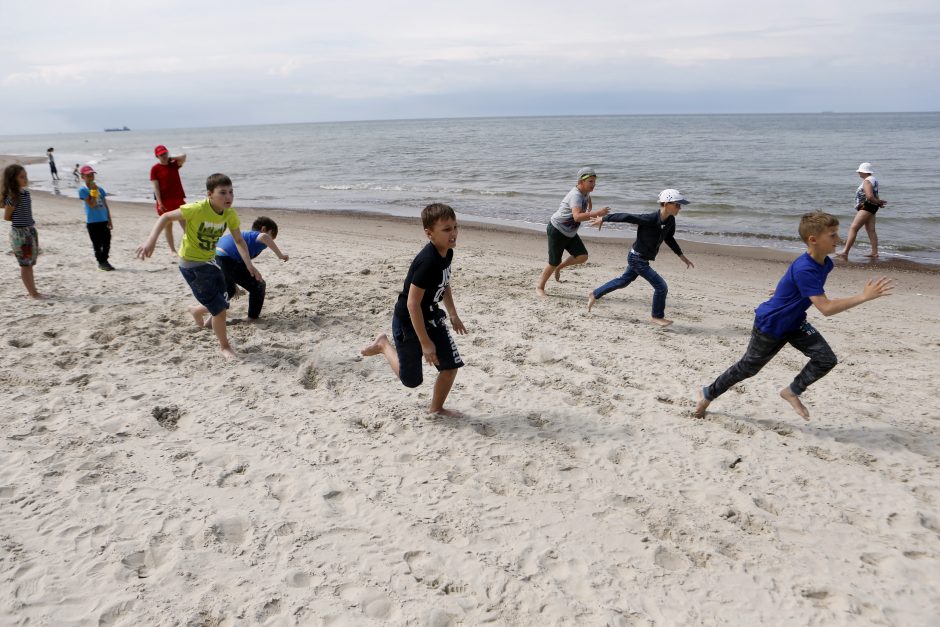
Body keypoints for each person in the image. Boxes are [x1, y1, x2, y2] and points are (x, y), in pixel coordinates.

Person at [694, 211, 893, 420]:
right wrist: (864, 296)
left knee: (826, 359)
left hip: (795, 322)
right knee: (748, 368)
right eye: (832, 235)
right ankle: (708, 393)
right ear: (813, 240)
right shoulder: (805, 268)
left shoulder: (826, 263)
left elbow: (795, 280)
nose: (839, 239)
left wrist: (783, 292)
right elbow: (826, 308)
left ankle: (791, 392)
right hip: (772, 324)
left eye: (837, 234)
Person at [136, 173, 260, 359]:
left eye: (231, 192)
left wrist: (249, 264)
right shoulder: (197, 209)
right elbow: (166, 217)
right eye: (223, 193)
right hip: (191, 265)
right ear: (210, 194)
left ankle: (196, 310)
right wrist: (150, 241)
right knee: (219, 309)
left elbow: (239, 241)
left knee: (225, 298)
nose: (228, 197)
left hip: (211, 261)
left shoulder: (229, 214)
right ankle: (224, 347)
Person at [360, 203, 468, 417]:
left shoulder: (446, 253)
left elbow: (444, 283)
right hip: (408, 320)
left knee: (450, 366)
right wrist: (425, 343)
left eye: (455, 227)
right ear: (429, 233)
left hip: (431, 315)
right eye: (446, 229)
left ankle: (436, 408)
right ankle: (383, 345)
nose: (453, 233)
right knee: (411, 381)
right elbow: (412, 304)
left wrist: (453, 314)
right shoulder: (426, 262)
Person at [587, 189, 695, 326]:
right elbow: (626, 217)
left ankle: (594, 294)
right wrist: (603, 218)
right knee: (661, 287)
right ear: (667, 204)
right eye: (677, 205)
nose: (679, 208)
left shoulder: (670, 221)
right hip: (636, 258)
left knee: (623, 281)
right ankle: (657, 316)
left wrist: (681, 255)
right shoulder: (649, 219)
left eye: (680, 205)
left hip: (640, 258)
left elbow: (669, 238)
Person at [536, 167, 609, 296]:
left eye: (594, 181)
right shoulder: (575, 195)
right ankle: (539, 287)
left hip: (569, 233)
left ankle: (559, 267)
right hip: (557, 230)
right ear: (581, 182)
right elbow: (577, 217)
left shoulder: (584, 192)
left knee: (582, 256)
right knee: (553, 262)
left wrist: (589, 205)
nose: (593, 184)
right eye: (590, 182)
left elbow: (587, 198)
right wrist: (597, 213)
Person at [214, 216, 289, 321]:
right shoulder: (258, 236)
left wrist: (232, 281)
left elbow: (238, 259)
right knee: (258, 285)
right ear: (263, 229)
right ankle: (252, 318)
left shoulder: (245, 237)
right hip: (226, 259)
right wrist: (280, 255)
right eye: (272, 236)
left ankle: (200, 312)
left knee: (229, 291)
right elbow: (264, 237)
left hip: (219, 258)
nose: (271, 241)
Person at [2, 164, 44, 298]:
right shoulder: (13, 197)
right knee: (25, 265)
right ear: (13, 179)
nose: (25, 179)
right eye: (22, 177)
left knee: (30, 263)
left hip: (30, 231)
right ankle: (33, 293)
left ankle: (33, 291)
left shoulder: (26, 193)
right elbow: (7, 217)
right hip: (20, 235)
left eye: (26, 176)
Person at [837, 162, 886, 260]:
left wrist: (877, 201)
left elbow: (869, 196)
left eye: (859, 171)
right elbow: (875, 194)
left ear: (864, 172)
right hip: (872, 207)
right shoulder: (874, 180)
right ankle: (875, 252)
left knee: (853, 228)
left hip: (867, 207)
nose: (858, 173)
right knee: (871, 230)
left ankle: (845, 251)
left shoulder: (867, 181)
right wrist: (878, 203)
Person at [150, 145, 187, 254]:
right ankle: (173, 250)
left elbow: (184, 156)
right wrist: (160, 203)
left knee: (186, 225)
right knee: (168, 226)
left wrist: (171, 158)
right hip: (164, 201)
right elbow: (156, 187)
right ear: (157, 156)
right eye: (161, 155)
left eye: (165, 153)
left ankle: (186, 247)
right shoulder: (155, 169)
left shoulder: (174, 165)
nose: (164, 156)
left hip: (178, 199)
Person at [78, 165, 115, 271]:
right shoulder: (83, 190)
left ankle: (105, 260)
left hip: (103, 219)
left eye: (92, 175)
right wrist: (93, 191)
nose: (90, 178)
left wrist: (109, 219)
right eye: (88, 176)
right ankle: (101, 262)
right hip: (92, 222)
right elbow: (92, 204)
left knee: (107, 240)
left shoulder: (101, 190)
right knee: (97, 243)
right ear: (83, 177)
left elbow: (105, 205)